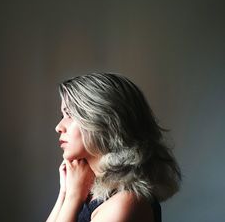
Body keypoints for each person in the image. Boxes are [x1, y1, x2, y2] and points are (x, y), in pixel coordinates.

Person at [46, 72, 181, 222]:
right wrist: (65, 193)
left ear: (105, 120)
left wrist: (73, 197)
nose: (58, 127)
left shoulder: (125, 203)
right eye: (62, 116)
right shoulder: (84, 189)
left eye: (70, 115)